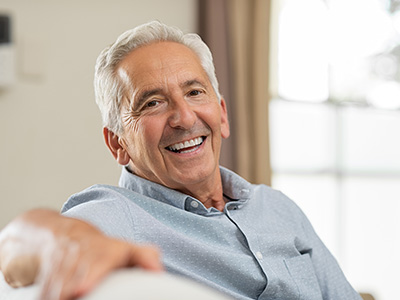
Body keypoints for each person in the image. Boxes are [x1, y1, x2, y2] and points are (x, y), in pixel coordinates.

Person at [0, 21, 362, 300]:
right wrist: (60, 243)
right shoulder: (117, 215)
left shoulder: (279, 208)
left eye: (194, 92)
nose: (184, 118)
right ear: (118, 144)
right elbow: (14, 247)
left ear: (221, 114)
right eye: (152, 103)